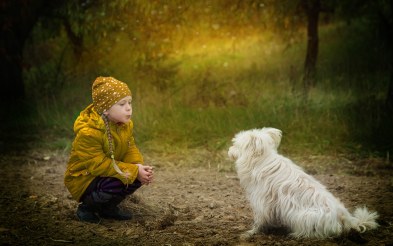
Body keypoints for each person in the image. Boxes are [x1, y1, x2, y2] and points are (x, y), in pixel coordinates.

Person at [64, 76, 153, 223]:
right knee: (122, 179)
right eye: (122, 104)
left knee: (135, 178)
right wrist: (133, 171)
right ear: (105, 109)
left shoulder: (124, 125)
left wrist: (137, 166)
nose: (128, 107)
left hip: (107, 172)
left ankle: (108, 208)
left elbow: (130, 147)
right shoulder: (89, 132)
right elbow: (98, 165)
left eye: (130, 102)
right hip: (85, 178)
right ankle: (86, 207)